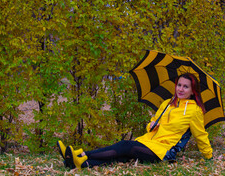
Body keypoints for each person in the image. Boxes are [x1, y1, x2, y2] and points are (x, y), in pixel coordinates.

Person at [57, 73, 213, 170]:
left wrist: (209, 157)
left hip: (163, 151)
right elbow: (151, 124)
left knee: (125, 145)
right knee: (121, 157)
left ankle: (82, 153)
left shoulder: (194, 111)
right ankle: (79, 163)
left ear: (193, 90)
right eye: (179, 85)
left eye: (186, 87)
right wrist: (151, 125)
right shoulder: (167, 103)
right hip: (149, 142)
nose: (180, 89)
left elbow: (201, 134)